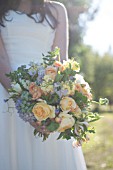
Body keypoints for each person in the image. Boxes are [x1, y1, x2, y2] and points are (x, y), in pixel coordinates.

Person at [0, 0, 87, 170]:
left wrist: (59, 100)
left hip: (49, 92)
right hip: (7, 92)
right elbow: (0, 58)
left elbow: (61, 59)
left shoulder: (57, 9)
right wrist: (25, 102)